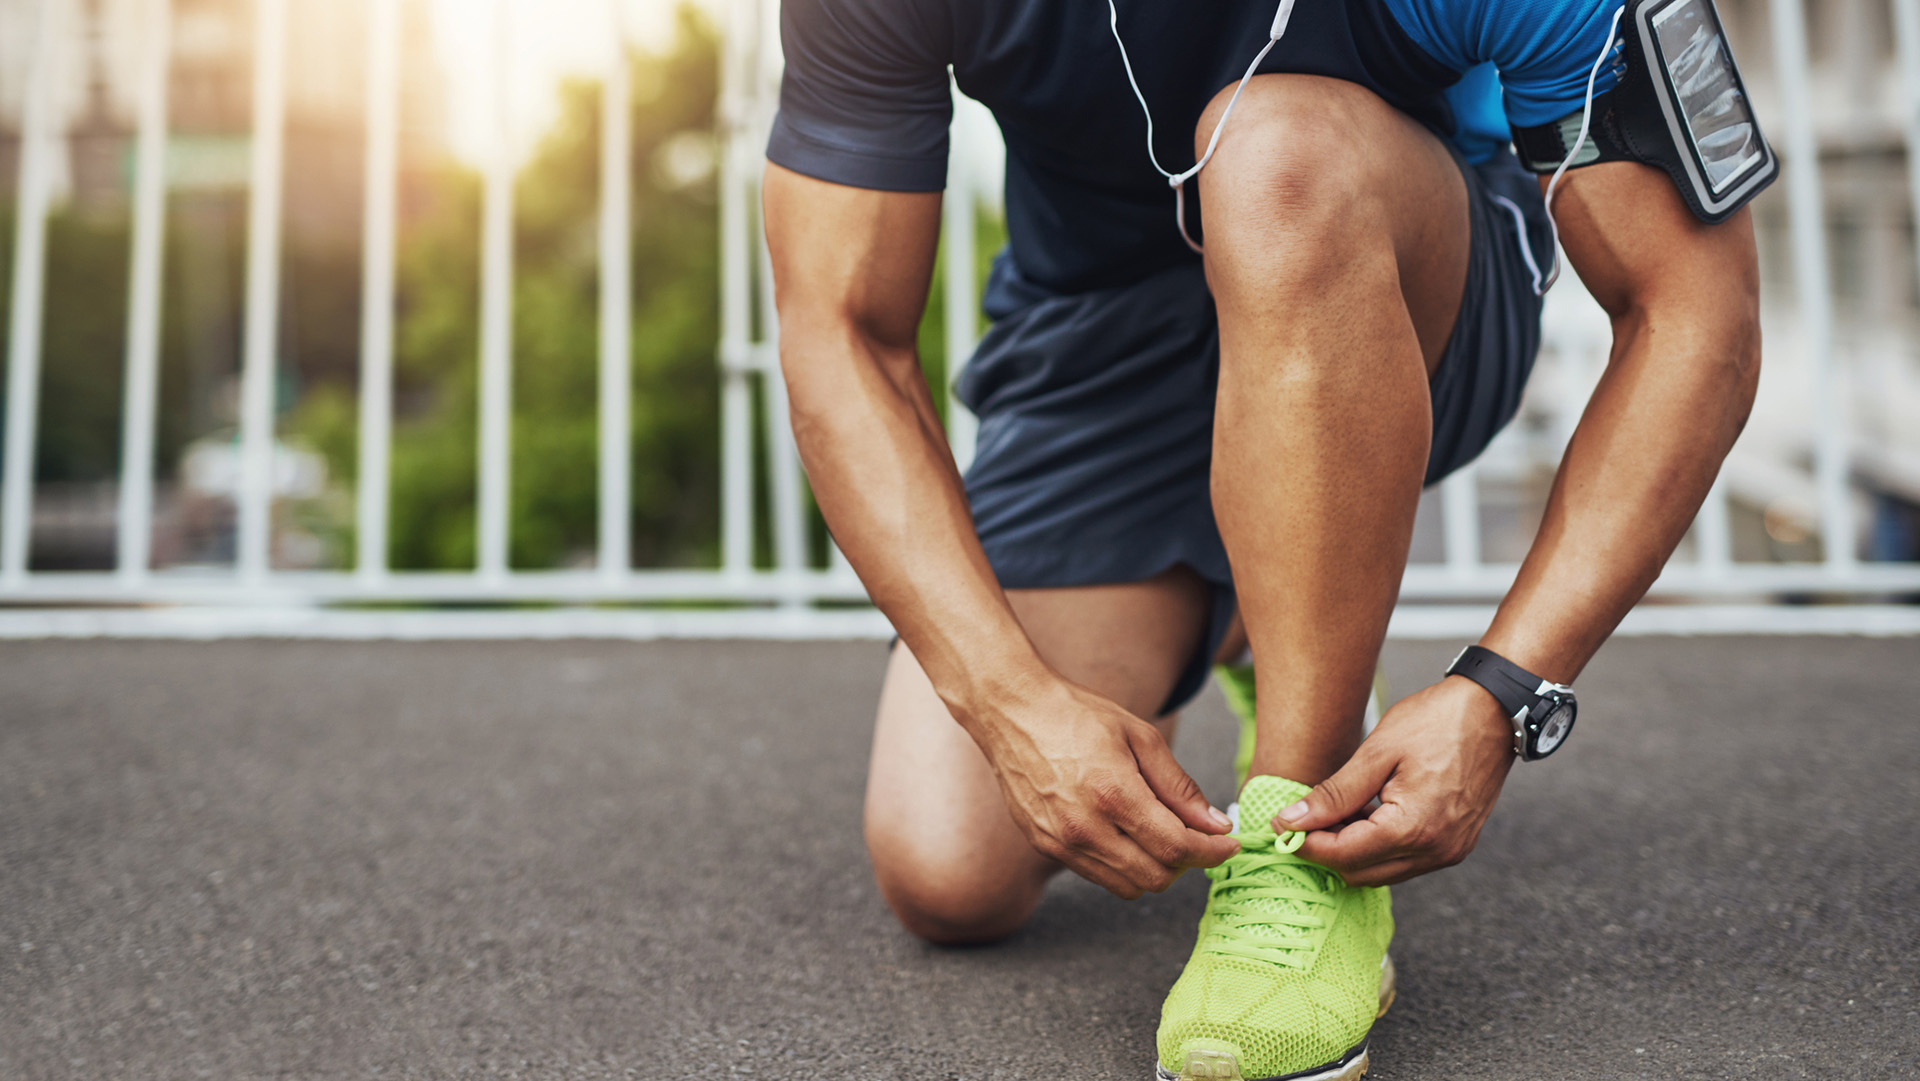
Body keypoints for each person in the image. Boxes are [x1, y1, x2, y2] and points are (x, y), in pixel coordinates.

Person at [761, 0, 1762, 1076]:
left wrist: (1506, 692)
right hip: (1105, 334)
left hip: (1394, 253)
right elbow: (842, 331)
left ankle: (1300, 829)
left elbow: (1695, 313)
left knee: (1271, 149)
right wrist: (1013, 708)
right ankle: (1258, 617)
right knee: (946, 864)